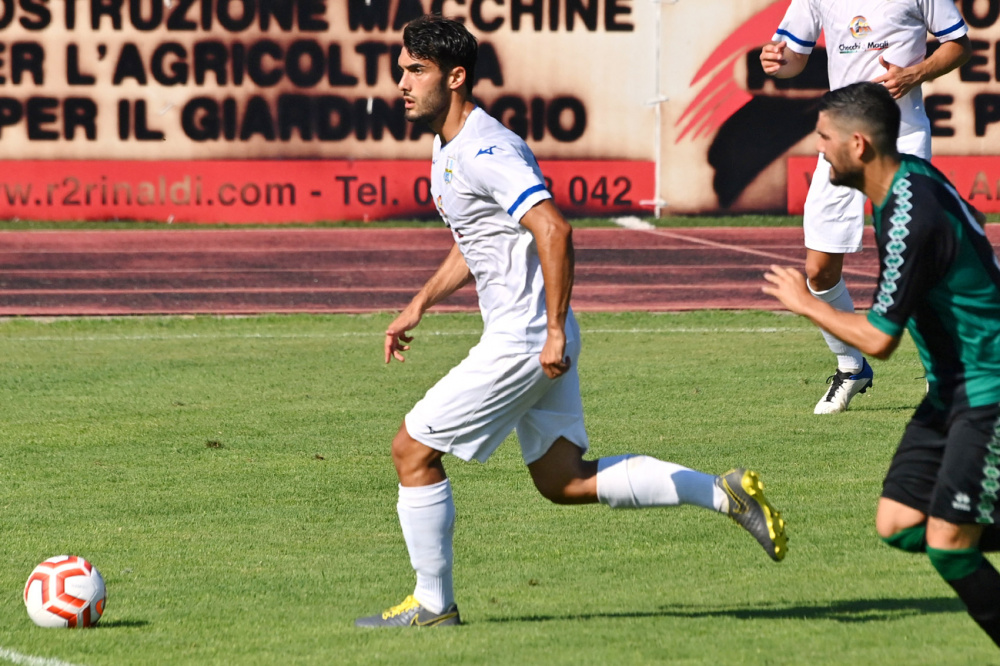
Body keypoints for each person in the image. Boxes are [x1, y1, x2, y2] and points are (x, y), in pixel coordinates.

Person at [354, 15, 789, 628]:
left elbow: (554, 228)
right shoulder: (449, 145)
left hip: (527, 339)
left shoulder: (485, 148)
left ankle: (432, 605)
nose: (401, 82)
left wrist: (552, 331)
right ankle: (725, 493)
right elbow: (482, 239)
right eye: (401, 68)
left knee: (411, 450)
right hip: (535, 334)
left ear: (455, 77)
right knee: (564, 481)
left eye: (415, 70)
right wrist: (422, 301)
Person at [763, 81, 1000, 647]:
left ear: (860, 146)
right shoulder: (909, 179)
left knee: (949, 545)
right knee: (897, 524)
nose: (817, 150)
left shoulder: (910, 215)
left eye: (825, 139)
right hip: (952, 388)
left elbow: (877, 341)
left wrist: (807, 303)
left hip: (989, 386)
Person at [760, 0, 971, 414]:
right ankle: (850, 367)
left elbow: (958, 44)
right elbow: (792, 58)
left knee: (919, 261)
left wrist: (918, 72)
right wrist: (777, 60)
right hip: (840, 141)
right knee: (818, 270)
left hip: (902, 139)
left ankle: (942, 373)